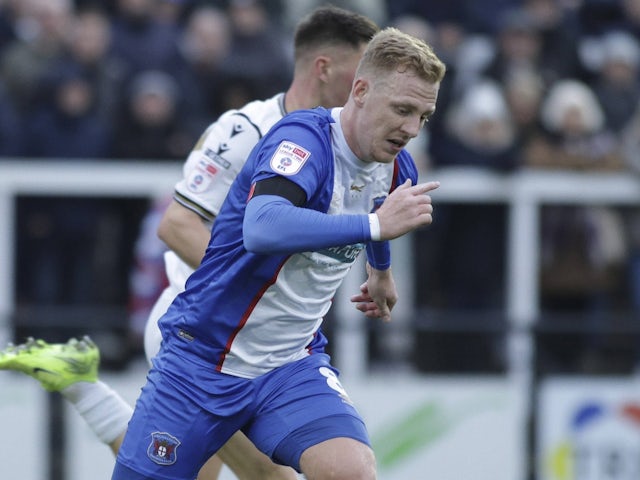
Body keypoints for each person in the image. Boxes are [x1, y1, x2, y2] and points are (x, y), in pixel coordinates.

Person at [0, 6, 382, 480]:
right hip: (201, 331)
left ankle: (83, 386)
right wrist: (249, 293)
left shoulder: (348, 146)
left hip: (266, 341)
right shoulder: (247, 130)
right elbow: (176, 224)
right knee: (266, 476)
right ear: (325, 67)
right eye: (363, 70)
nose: (371, 85)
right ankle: (84, 390)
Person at [111, 26, 445, 480]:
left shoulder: (395, 162)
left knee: (351, 472)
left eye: (423, 116)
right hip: (204, 359)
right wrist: (375, 227)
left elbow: (377, 206)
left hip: (290, 364)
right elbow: (262, 226)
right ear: (361, 91)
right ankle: (85, 394)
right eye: (402, 110)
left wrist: (380, 269)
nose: (411, 129)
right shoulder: (303, 139)